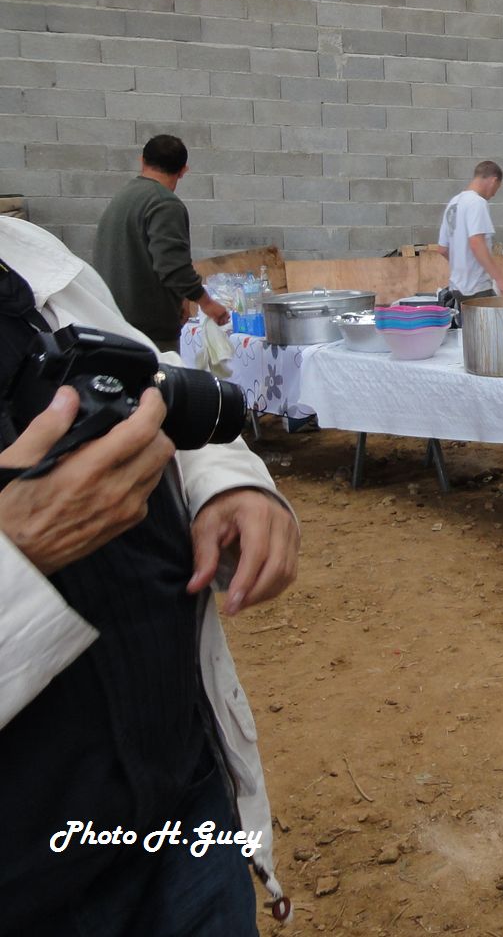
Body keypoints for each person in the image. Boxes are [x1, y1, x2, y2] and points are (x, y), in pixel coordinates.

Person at [0, 215, 299, 932]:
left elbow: (149, 384)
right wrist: (17, 550)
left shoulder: (30, 262)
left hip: (185, 804)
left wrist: (228, 481)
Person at [92, 135, 231, 353]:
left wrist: (181, 298)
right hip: (147, 336)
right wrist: (206, 303)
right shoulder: (164, 203)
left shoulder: (122, 198)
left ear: (142, 161)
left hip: (113, 324)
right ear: (183, 171)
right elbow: (173, 267)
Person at [436, 160, 503, 301]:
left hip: (457, 288)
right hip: (477, 287)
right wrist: (500, 281)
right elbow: (476, 243)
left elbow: (442, 249)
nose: (493, 194)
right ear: (493, 181)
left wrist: (462, 266)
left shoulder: (453, 203)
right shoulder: (477, 202)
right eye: (496, 188)